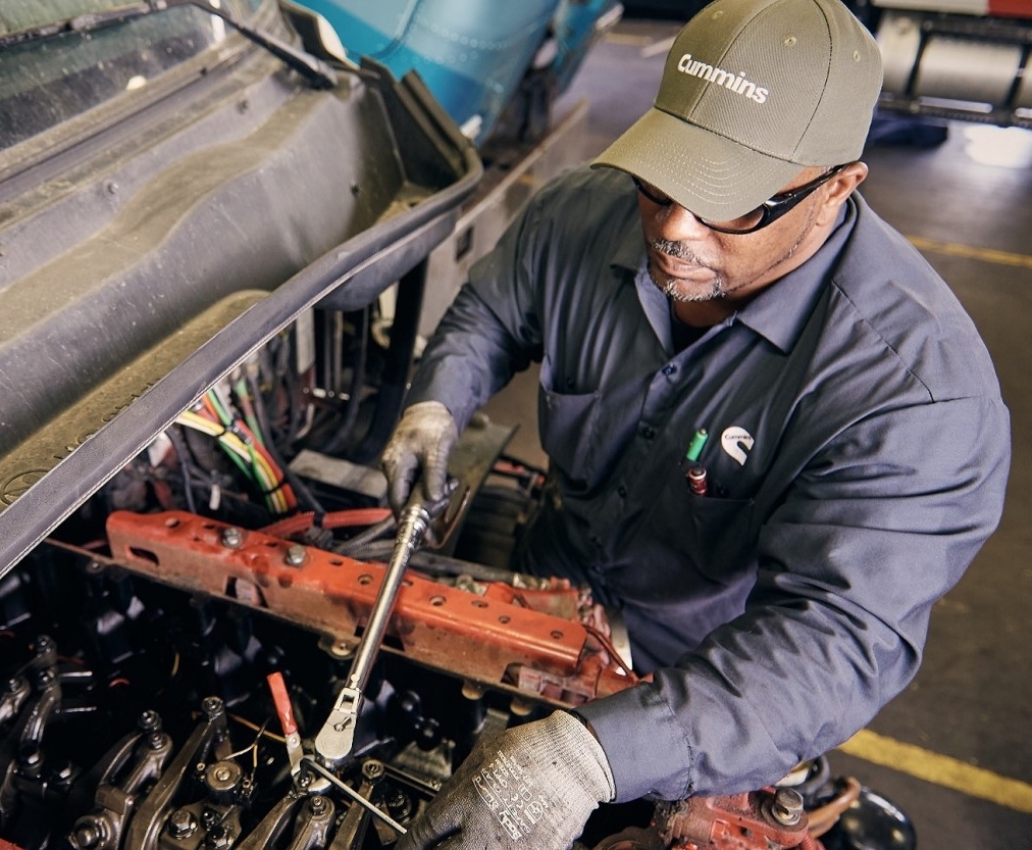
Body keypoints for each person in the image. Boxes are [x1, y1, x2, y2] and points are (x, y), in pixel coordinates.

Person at [382, 0, 1011, 847]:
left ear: (835, 188)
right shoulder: (577, 215)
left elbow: (835, 641)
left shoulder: (917, 396)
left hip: (703, 685)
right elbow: (492, 314)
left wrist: (594, 757)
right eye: (664, 178)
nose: (675, 227)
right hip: (541, 581)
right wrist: (436, 402)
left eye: (734, 203)